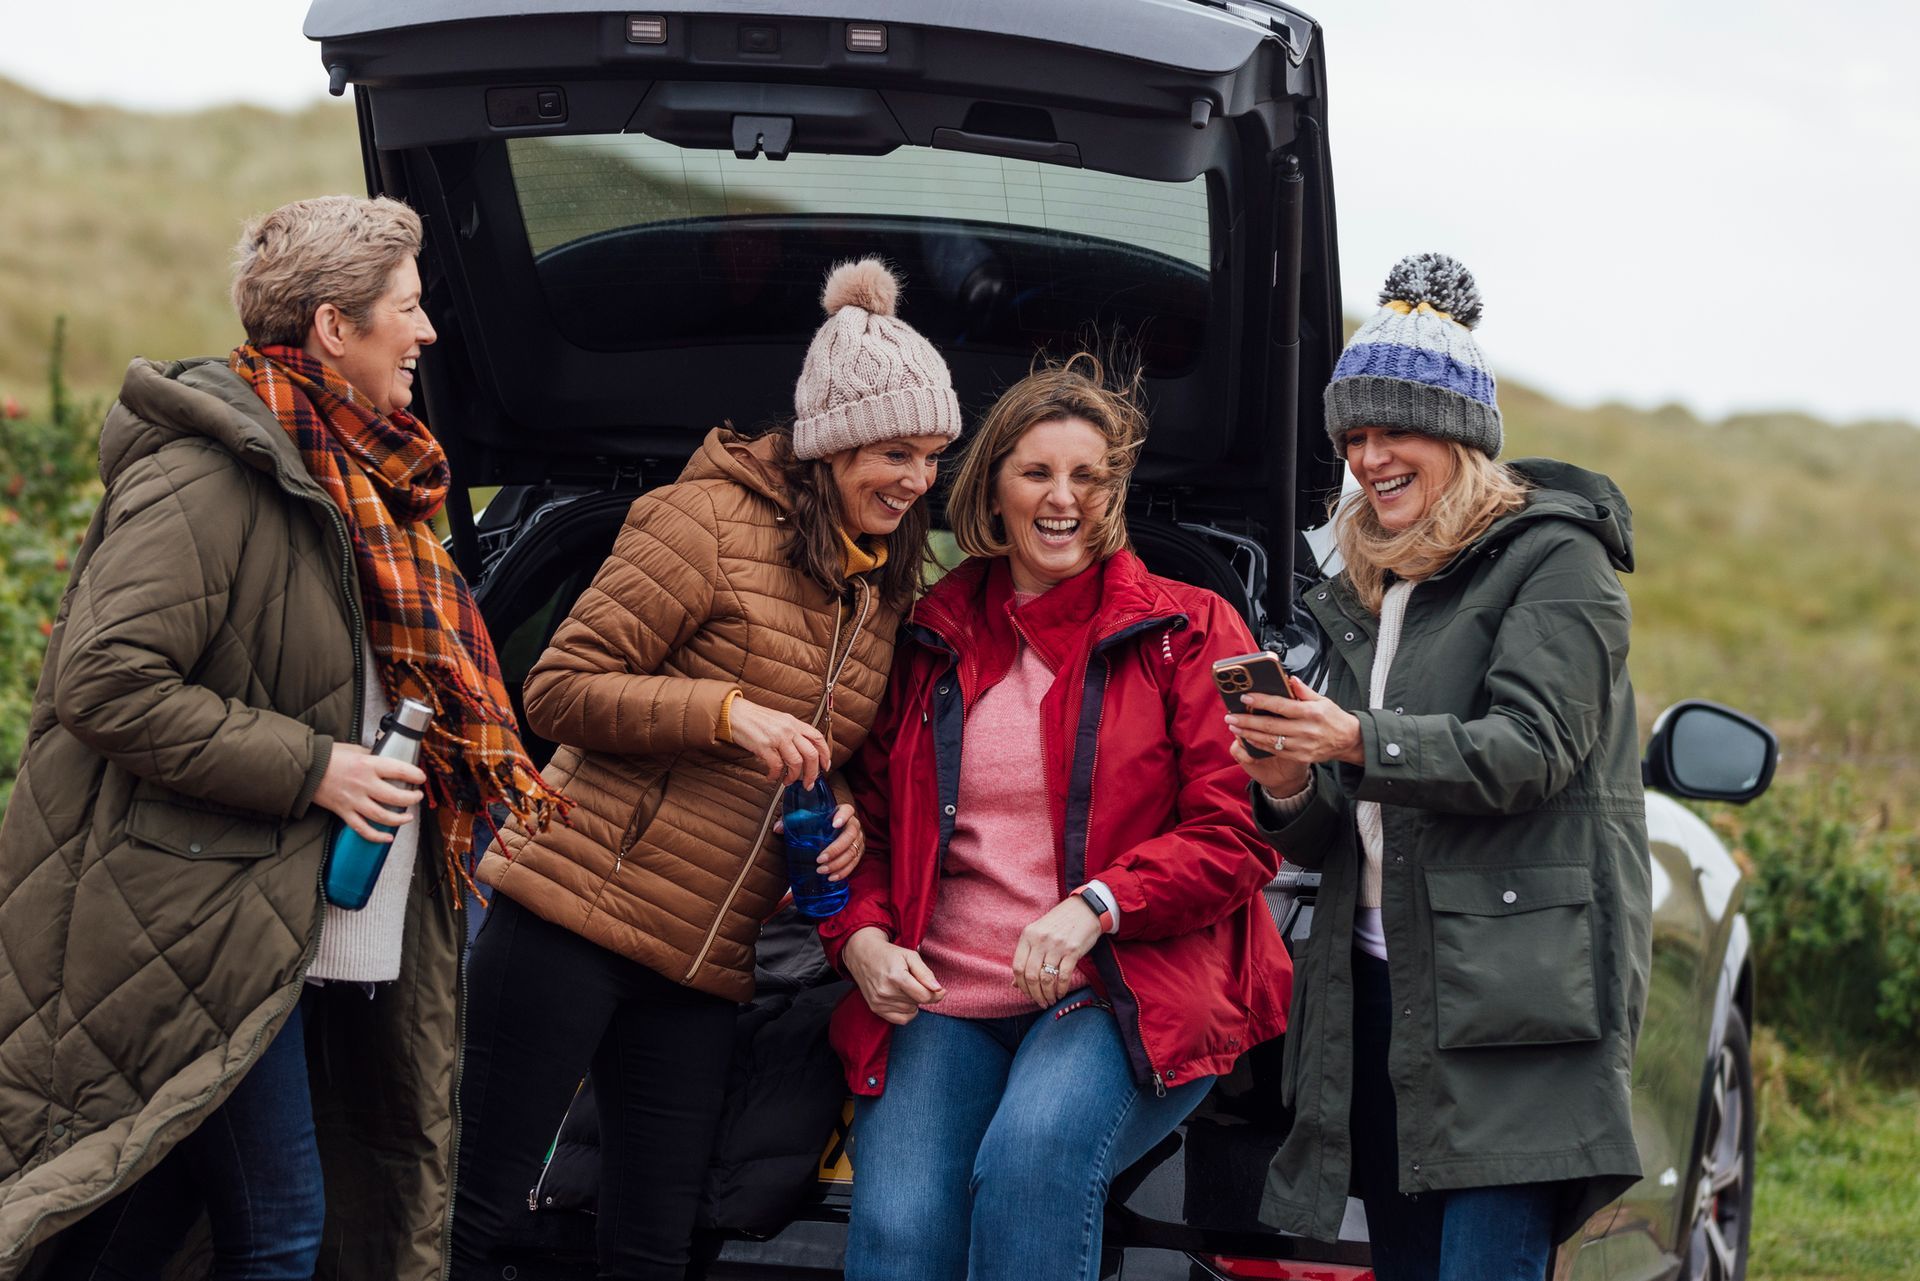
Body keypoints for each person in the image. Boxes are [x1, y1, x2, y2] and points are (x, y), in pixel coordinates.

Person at [0, 195, 560, 1280]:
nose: (432, 331)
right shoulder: (209, 473)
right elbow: (104, 680)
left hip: (274, 915)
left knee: (157, 1218)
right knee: (283, 1229)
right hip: (189, 925)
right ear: (331, 327)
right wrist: (315, 769)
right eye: (409, 307)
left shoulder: (363, 479)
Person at [449, 258, 959, 1280]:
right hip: (573, 910)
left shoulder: (877, 587)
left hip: (708, 953)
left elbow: (836, 741)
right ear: (829, 444)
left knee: (657, 1238)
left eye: (933, 456)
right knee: (474, 1203)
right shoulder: (701, 524)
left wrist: (850, 804)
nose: (916, 481)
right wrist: (724, 712)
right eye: (895, 451)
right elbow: (556, 691)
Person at [821, 353, 1295, 1281]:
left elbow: (1233, 833)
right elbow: (868, 821)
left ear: (1113, 491)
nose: (1062, 498)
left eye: (1087, 475)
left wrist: (1099, 903)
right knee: (897, 1228)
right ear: (993, 486)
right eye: (1037, 472)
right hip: (943, 991)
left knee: (1030, 1164)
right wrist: (861, 939)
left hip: (1119, 984)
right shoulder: (924, 634)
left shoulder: (1190, 628)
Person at [1228, 253, 1651, 1281]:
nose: (1370, 458)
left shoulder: (1559, 559)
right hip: (1378, 986)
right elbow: (1355, 818)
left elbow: (1534, 753)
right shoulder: (1373, 582)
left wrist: (1357, 740)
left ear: (1461, 437)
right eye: (1355, 437)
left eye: (1395, 431)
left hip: (1517, 997)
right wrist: (1288, 781)